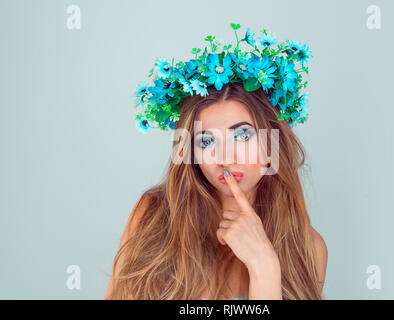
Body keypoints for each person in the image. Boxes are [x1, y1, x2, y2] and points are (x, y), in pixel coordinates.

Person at [104, 23, 327, 300]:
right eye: (206, 142)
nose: (224, 158)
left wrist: (264, 266)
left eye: (242, 135)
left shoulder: (307, 247)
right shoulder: (153, 216)